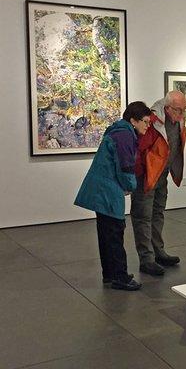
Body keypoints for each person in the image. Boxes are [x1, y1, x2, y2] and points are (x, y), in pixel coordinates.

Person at [74, 101, 152, 291]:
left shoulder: (118, 131)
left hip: (102, 189)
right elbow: (125, 166)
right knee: (115, 233)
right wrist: (131, 186)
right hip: (107, 191)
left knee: (106, 233)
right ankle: (120, 277)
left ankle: (110, 274)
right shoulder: (125, 135)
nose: (147, 126)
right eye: (145, 122)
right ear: (133, 120)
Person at [131, 90, 186, 276]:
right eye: (178, 110)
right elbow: (139, 149)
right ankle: (146, 259)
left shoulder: (178, 120)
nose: (181, 115)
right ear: (167, 107)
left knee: (158, 213)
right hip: (147, 176)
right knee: (143, 216)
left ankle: (158, 252)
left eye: (184, 110)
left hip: (162, 175)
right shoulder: (152, 121)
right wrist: (140, 174)